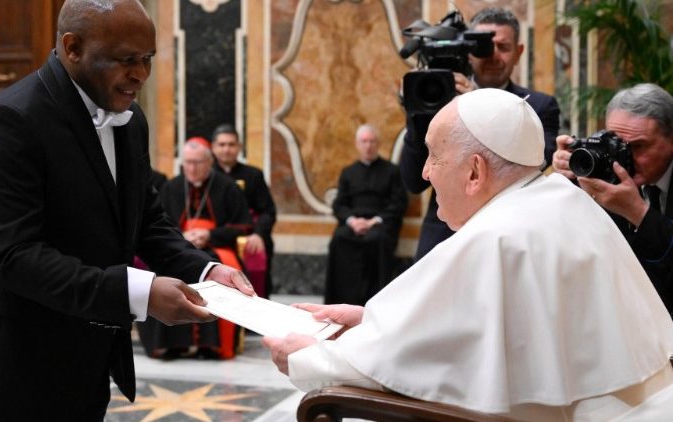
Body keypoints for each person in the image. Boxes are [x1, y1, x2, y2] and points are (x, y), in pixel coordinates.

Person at [0, 1, 254, 421]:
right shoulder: (12, 120)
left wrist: (205, 270)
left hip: (87, 353)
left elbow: (147, 220)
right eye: (126, 60)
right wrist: (140, 294)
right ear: (73, 47)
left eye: (147, 59)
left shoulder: (130, 119)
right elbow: (15, 257)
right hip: (10, 360)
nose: (141, 75)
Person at [263, 88, 673, 421]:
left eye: (434, 156)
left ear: (475, 172)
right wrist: (369, 320)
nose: (424, 172)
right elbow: (476, 329)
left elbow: (371, 370)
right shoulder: (564, 200)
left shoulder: (495, 237)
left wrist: (307, 356)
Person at [400, 7, 561, 260]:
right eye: (483, 46)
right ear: (467, 51)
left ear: (519, 52)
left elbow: (534, 166)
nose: (492, 55)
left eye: (503, 46)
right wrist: (418, 115)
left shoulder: (539, 107)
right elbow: (413, 181)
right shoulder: (436, 98)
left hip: (507, 243)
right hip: (442, 240)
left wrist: (476, 104)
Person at [552, 83, 673, 316]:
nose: (625, 156)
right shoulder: (604, 174)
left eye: (638, 146)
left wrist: (638, 213)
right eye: (616, 143)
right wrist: (565, 178)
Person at [137, 137, 253, 360]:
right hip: (175, 250)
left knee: (219, 271)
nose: (192, 168)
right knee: (163, 273)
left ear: (210, 162)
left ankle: (211, 345)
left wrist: (210, 235)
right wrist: (184, 237)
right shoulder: (171, 187)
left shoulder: (226, 186)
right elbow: (158, 226)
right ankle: (169, 344)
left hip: (216, 249)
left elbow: (244, 225)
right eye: (188, 162)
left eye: (198, 162)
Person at [324, 124, 407, 305]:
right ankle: (341, 302)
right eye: (364, 141)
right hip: (353, 223)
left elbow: (398, 203)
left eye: (371, 141)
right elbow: (339, 204)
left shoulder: (392, 172)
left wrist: (372, 222)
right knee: (339, 239)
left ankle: (374, 303)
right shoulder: (348, 172)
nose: (368, 145)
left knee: (376, 240)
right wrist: (353, 221)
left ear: (378, 144)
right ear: (357, 144)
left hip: (380, 224)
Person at [211, 124, 277, 298]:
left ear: (239, 147)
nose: (227, 149)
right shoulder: (207, 176)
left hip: (249, 237)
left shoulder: (254, 175)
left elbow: (268, 211)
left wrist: (258, 234)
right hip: (218, 238)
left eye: (231, 145)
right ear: (213, 147)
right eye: (222, 144)